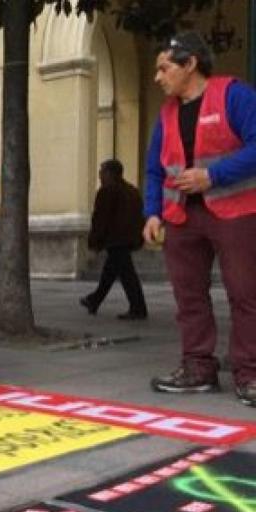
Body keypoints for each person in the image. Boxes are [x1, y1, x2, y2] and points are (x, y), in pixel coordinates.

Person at [142, 31, 256, 407]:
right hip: (181, 217)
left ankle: (249, 374)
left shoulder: (234, 96)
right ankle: (198, 369)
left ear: (190, 64)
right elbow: (155, 168)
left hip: (236, 212)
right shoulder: (167, 114)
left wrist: (213, 175)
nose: (158, 77)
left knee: (246, 295)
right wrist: (152, 213)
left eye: (164, 68)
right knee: (189, 297)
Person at [79, 159, 148, 320]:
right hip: (129, 239)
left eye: (102, 171)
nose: (100, 175)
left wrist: (94, 241)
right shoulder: (132, 191)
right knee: (113, 272)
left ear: (110, 173)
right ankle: (94, 300)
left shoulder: (107, 191)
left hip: (116, 240)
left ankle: (138, 308)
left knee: (125, 275)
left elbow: (101, 219)